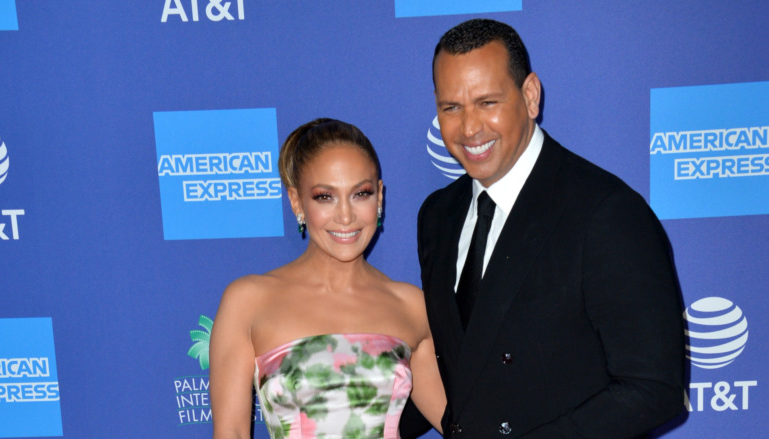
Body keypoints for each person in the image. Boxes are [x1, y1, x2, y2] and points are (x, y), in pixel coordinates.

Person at [400, 19, 685, 438]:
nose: (469, 127)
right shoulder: (438, 216)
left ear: (530, 95)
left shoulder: (605, 211)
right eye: (451, 107)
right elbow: (462, 368)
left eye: (487, 102)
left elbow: (653, 387)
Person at [209, 118, 446, 439]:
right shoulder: (248, 300)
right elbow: (232, 432)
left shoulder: (412, 304)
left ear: (379, 197)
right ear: (297, 202)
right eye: (325, 196)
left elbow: (460, 423)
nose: (346, 216)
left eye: (360, 193)